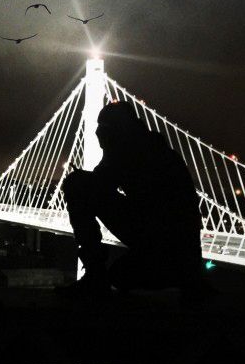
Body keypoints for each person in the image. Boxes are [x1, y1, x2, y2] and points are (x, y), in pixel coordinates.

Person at [60, 101, 205, 296]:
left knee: (75, 184)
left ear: (117, 129)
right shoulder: (150, 145)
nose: (96, 133)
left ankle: (95, 275)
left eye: (102, 127)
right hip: (183, 255)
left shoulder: (129, 149)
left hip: (166, 248)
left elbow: (93, 187)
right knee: (120, 275)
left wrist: (82, 179)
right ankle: (183, 276)